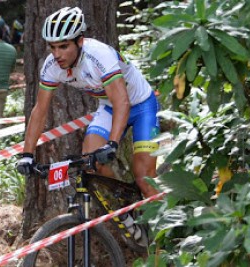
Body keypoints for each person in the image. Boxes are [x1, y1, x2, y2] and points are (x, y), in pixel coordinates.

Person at [17, 7, 161, 245]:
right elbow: (39, 111)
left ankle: (166, 238)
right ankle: (124, 208)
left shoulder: (99, 55)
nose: (57, 54)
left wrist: (113, 143)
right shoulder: (52, 66)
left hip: (141, 104)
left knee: (145, 179)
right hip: (109, 107)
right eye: (52, 47)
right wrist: (27, 154)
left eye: (64, 46)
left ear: (80, 41)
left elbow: (122, 100)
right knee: (91, 159)